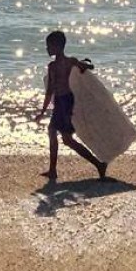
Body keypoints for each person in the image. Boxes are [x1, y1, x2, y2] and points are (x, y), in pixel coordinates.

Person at [33, 30, 107, 181]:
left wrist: (85, 64)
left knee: (66, 139)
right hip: (60, 103)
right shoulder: (55, 65)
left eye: (49, 46)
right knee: (55, 133)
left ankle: (98, 164)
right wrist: (43, 112)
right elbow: (50, 91)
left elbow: (87, 67)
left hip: (66, 103)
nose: (47, 49)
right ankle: (53, 170)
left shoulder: (67, 62)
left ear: (57, 47)